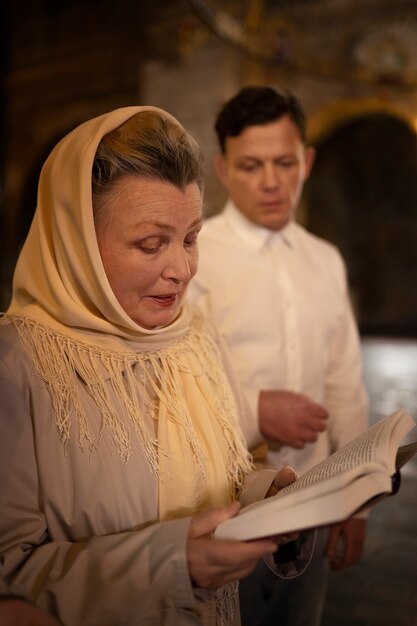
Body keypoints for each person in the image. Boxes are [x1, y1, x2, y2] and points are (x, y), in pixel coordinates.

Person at [0, 105, 314, 626]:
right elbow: (10, 575)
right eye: (151, 244)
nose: (183, 269)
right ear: (75, 240)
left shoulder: (195, 339)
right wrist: (174, 563)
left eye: (191, 238)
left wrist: (267, 500)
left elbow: (225, 477)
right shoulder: (17, 368)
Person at [188, 86, 369, 626]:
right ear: (222, 169)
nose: (270, 182)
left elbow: (345, 383)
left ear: (306, 162)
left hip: (312, 500)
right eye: (250, 165)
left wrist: (354, 496)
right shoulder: (197, 257)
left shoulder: (325, 259)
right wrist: (254, 410)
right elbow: (175, 384)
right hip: (222, 506)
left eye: (284, 162)